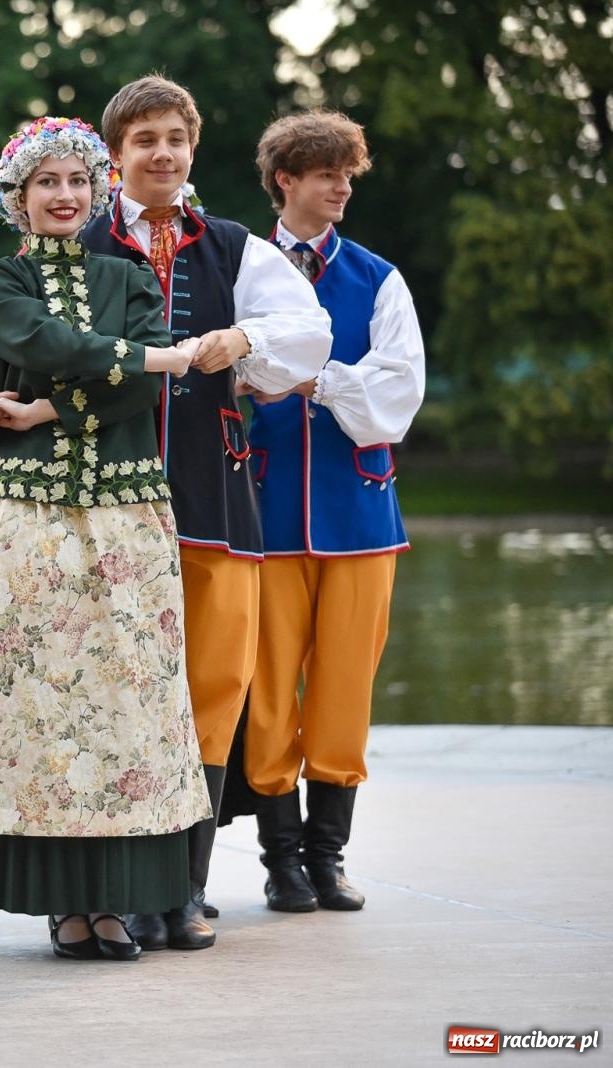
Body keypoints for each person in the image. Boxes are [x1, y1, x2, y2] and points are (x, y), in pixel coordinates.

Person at [0, 115, 209, 961]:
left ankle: (116, 903)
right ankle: (63, 907)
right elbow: (35, 339)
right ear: (17, 198)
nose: (65, 196)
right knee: (40, 704)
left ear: (95, 193)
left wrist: (53, 403)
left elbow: (130, 393)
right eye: (46, 183)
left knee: (129, 702)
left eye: (78, 183)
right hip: (30, 519)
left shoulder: (127, 274)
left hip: (127, 515)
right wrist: (146, 359)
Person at [79, 75, 333, 951]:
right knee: (119, 691)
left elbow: (307, 331)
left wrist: (246, 339)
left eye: (174, 138)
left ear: (192, 151)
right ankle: (125, 889)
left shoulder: (233, 247)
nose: (161, 153)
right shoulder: (74, 238)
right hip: (104, 501)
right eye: (143, 138)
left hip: (216, 497)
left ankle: (184, 892)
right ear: (116, 156)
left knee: (215, 690)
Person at [232, 110, 425, 913]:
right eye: (326, 174)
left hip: (360, 514)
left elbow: (395, 397)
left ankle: (328, 855)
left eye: (348, 173)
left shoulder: (378, 278)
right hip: (265, 513)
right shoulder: (239, 270)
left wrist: (315, 379)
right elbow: (225, 371)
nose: (342, 187)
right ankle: (279, 860)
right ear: (286, 180)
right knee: (270, 687)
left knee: (345, 688)